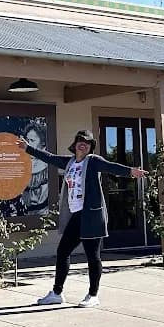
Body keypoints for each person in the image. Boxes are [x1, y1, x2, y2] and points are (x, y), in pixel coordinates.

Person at [15, 129, 147, 308]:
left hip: (92, 216)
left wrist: (131, 172)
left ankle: (93, 295)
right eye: (80, 140)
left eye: (87, 142)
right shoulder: (69, 162)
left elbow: (111, 166)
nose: (83, 144)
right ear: (75, 144)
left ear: (91, 147)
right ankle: (56, 293)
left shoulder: (93, 161)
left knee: (92, 256)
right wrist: (28, 148)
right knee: (63, 251)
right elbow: (50, 158)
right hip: (77, 216)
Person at [20, 123, 49, 215]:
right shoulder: (24, 163)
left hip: (44, 213)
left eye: (32, 140)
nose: (28, 144)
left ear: (43, 143)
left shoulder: (47, 165)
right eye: (27, 140)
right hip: (28, 213)